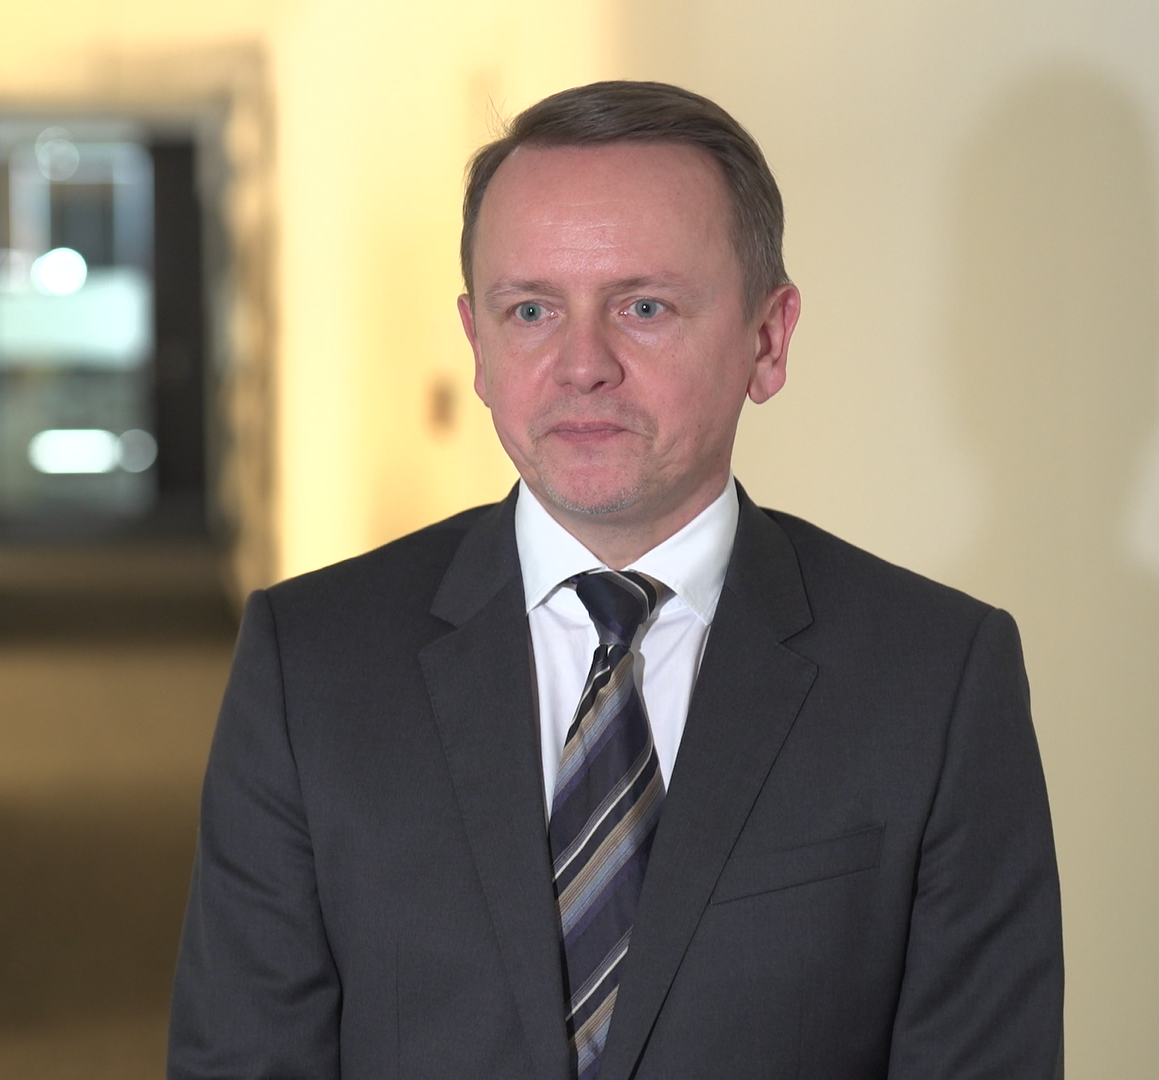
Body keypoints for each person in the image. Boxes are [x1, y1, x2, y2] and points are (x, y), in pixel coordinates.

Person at [168, 80, 1062, 1080]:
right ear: (477, 345)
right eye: (531, 310)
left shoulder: (936, 680)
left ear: (767, 341)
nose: (581, 364)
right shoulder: (310, 662)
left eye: (644, 307)